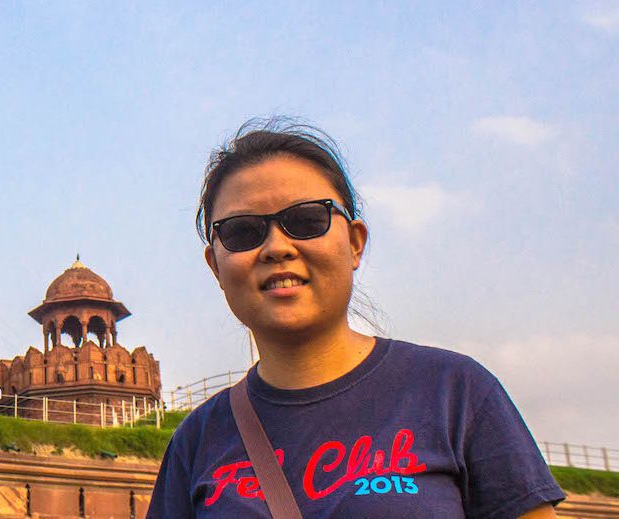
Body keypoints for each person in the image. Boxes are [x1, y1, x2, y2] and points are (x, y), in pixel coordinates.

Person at [146, 119, 565, 518]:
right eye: (242, 231)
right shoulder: (197, 442)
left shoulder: (454, 392)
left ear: (354, 243)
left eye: (306, 220)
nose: (277, 247)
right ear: (216, 267)